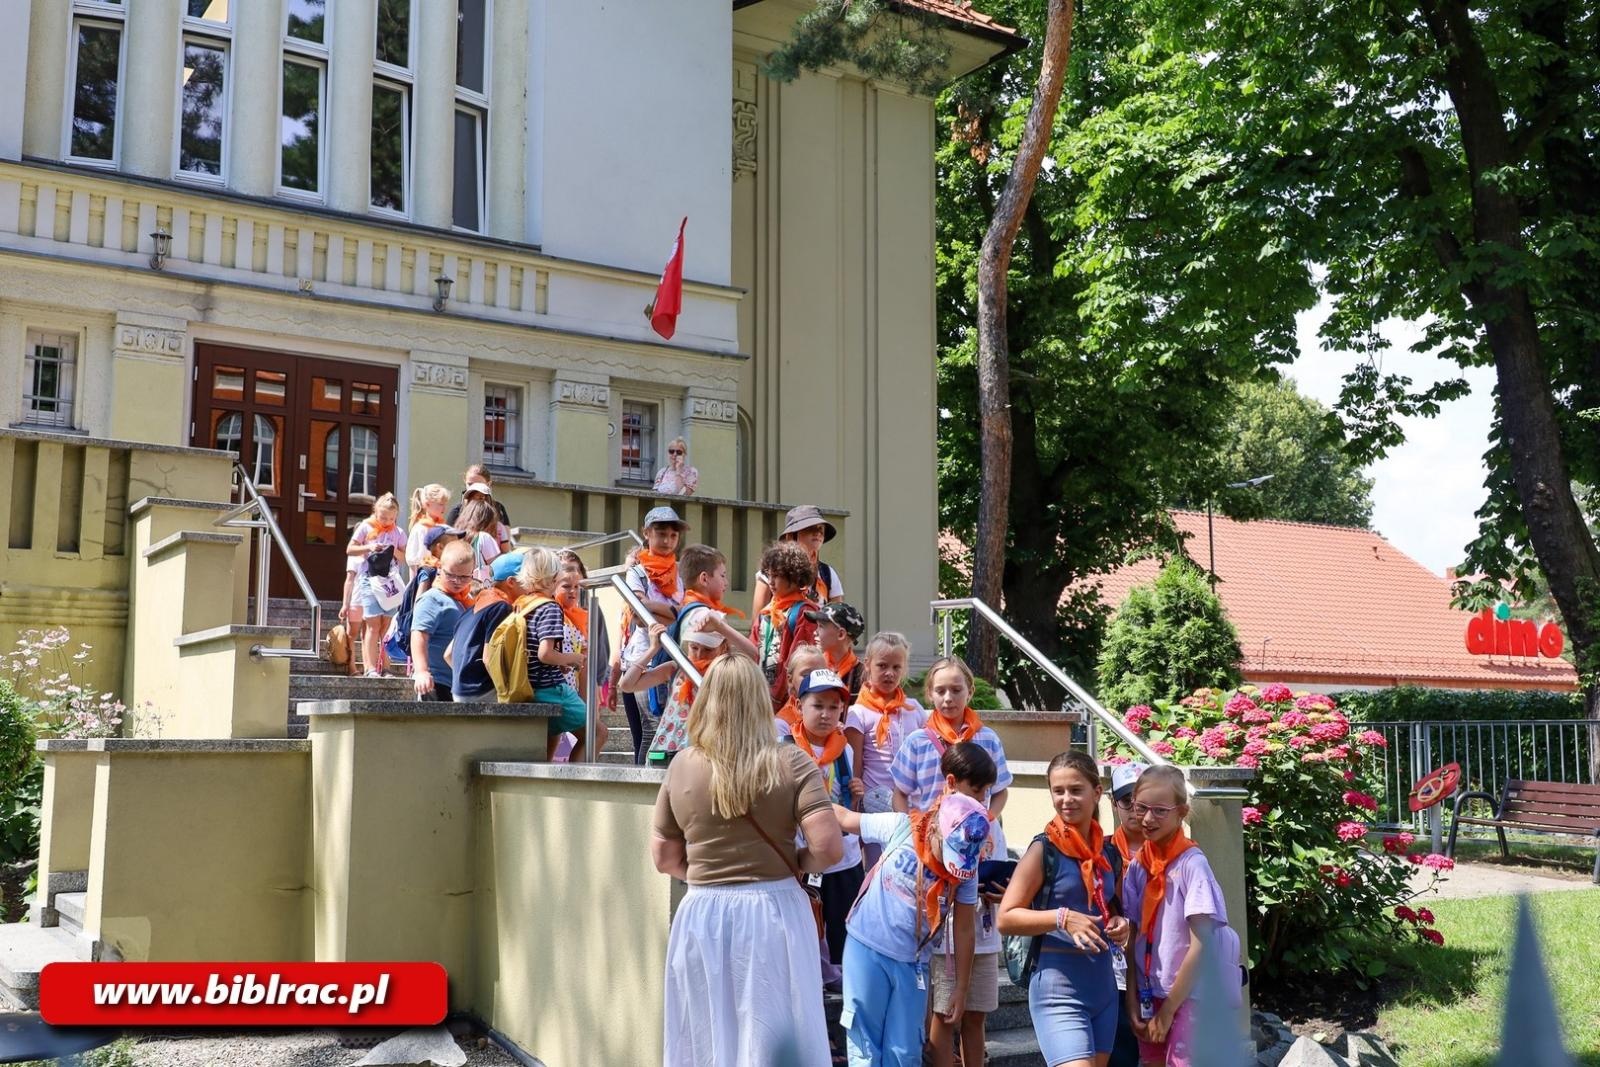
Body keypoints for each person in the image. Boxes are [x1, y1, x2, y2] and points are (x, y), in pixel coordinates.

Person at [652, 655, 845, 1067]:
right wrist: (795, 861)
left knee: (706, 1034)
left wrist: (706, 875)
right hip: (774, 909)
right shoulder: (792, 762)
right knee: (773, 1032)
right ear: (762, 700)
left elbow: (665, 856)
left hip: (702, 911)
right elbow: (829, 849)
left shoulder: (681, 765)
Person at [831, 743, 997, 1067]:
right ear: (936, 827)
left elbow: (964, 928)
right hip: (867, 947)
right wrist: (808, 799)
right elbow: (847, 818)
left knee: (904, 1052)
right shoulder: (902, 826)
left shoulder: (968, 861)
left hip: (912, 962)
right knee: (865, 1046)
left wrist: (960, 990)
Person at [888, 656, 1012, 1067]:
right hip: (935, 864)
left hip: (977, 854)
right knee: (940, 999)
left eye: (956, 689)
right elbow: (901, 794)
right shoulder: (918, 741)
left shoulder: (988, 738)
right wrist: (919, 834)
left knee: (976, 1008)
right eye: (940, 690)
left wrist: (983, 822)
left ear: (969, 692)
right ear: (929, 695)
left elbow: (1001, 791)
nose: (948, 697)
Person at [998, 751, 1134, 1067]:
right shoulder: (1042, 849)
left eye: (1075, 790)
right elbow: (1006, 917)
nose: (1065, 799)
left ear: (1097, 792)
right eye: (1058, 791)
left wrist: (1119, 922)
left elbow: (1109, 905)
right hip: (1057, 989)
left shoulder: (1107, 851)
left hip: (1103, 987)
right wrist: (1062, 917)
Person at [1120, 765, 1242, 1067]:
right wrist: (1132, 996)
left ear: (1182, 812)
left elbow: (1202, 944)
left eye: (1160, 811)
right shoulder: (1139, 867)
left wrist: (1169, 1009)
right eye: (1141, 808)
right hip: (1151, 993)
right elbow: (1135, 935)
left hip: (1190, 995)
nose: (1148, 819)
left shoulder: (1192, 866)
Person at [776, 668, 867, 1000]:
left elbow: (847, 793)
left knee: (844, 922)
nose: (827, 714)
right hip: (804, 854)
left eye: (834, 707)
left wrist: (855, 790)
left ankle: (844, 982)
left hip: (843, 856)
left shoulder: (845, 750)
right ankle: (810, 977)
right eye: (818, 705)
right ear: (799, 707)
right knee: (807, 923)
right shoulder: (786, 750)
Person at [626, 543, 759, 764]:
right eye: (723, 575)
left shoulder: (687, 610)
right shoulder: (704, 615)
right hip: (685, 743)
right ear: (704, 578)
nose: (726, 583)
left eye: (706, 649)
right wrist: (652, 649)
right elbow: (626, 684)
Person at [849, 632, 927, 864]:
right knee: (879, 868)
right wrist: (856, 806)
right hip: (877, 807)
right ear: (868, 665)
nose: (889, 673)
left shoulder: (913, 709)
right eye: (882, 666)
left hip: (913, 805)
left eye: (896, 667)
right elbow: (855, 767)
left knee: (911, 865)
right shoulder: (859, 713)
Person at [516, 547, 600, 761]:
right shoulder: (551, 608)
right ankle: (572, 784)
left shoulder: (523, 604)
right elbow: (545, 653)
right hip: (551, 689)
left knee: (547, 746)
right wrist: (572, 658)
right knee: (597, 732)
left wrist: (559, 661)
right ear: (552, 578)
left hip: (531, 686)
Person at [1108, 763, 1149, 1067]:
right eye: (1127, 801)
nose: (1136, 811)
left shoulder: (1174, 851)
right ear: (1113, 802)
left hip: (1159, 970)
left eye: (1143, 802)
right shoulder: (1101, 850)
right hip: (1116, 973)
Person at [345, 491, 409, 677]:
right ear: (376, 512)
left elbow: (405, 558)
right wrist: (369, 547)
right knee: (372, 623)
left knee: (386, 626)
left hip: (389, 582)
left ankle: (386, 666)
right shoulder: (366, 527)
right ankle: (371, 668)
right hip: (369, 579)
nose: (387, 521)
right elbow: (350, 549)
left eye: (391, 518)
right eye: (383, 517)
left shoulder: (398, 533)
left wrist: (393, 550)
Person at [449, 550, 526, 701]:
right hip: (481, 692)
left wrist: (466, 681)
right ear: (511, 582)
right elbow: (488, 658)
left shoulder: (471, 609)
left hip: (459, 692)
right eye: (527, 580)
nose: (531, 587)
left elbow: (448, 654)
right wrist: (506, 691)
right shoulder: (501, 607)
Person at [754, 540, 820, 709]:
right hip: (761, 697)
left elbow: (797, 664)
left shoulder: (804, 613)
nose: (770, 581)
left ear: (794, 576)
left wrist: (775, 699)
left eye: (777, 576)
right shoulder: (766, 613)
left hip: (787, 704)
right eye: (769, 575)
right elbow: (753, 651)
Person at [751, 505, 844, 617]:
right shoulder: (769, 572)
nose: (818, 533)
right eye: (810, 528)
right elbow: (757, 620)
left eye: (821, 529)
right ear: (790, 536)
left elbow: (838, 620)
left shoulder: (828, 573)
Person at [411, 541, 474, 701]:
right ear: (439, 569)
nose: (457, 581)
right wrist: (422, 671)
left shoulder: (464, 600)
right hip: (435, 682)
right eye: (450, 575)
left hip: (457, 683)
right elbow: (419, 635)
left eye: (464, 577)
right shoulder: (432, 599)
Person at [808, 601, 866, 698]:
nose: (815, 632)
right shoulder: (813, 667)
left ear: (841, 634)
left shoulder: (863, 676)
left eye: (821, 626)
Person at [773, 644, 830, 732]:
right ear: (790, 680)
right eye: (806, 675)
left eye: (819, 674)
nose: (814, 679)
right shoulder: (782, 725)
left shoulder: (830, 716)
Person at [445, 465, 512, 530]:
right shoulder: (457, 510)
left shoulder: (498, 508)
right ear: (465, 482)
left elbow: (506, 537)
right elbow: (448, 539)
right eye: (470, 484)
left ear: (488, 484)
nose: (474, 488)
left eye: (479, 484)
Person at [405, 484, 452, 568]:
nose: (445, 508)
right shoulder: (420, 529)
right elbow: (413, 563)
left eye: (445, 504)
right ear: (427, 504)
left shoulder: (443, 528)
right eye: (441, 504)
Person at [456, 498, 503, 583]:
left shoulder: (456, 536)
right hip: (479, 587)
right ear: (486, 520)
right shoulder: (484, 537)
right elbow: (497, 567)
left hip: (460, 585)